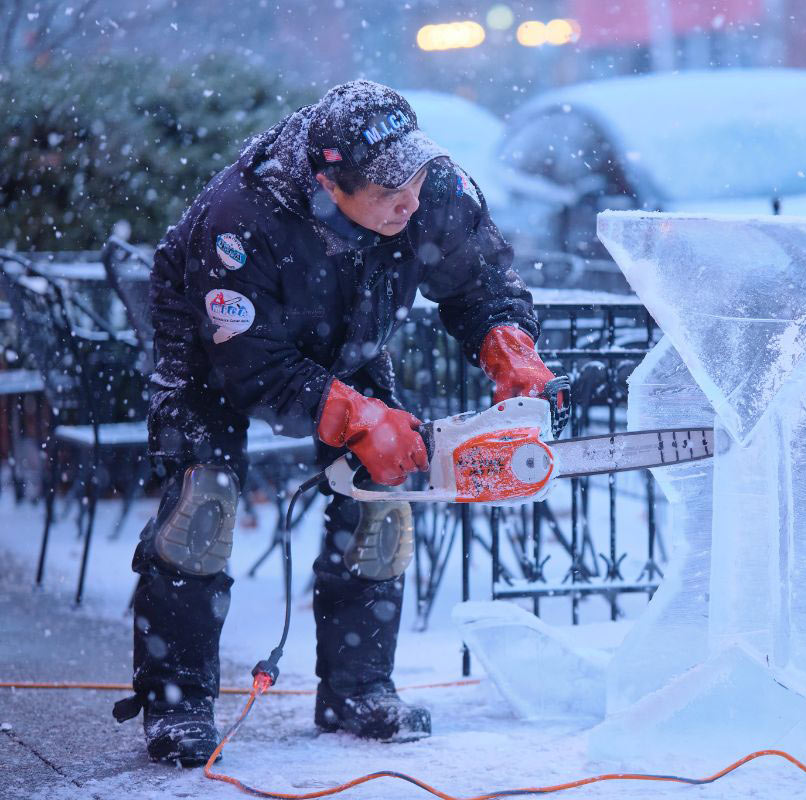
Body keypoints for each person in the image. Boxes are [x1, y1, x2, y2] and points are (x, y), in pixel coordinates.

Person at [111, 80, 556, 766]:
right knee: (203, 508)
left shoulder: (430, 190)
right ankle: (177, 703)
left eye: (413, 176)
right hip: (216, 346)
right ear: (329, 183)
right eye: (386, 191)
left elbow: (481, 281)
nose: (408, 199)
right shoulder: (242, 222)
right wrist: (353, 416)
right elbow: (252, 368)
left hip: (351, 335)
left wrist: (509, 344)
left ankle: (357, 689)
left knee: (385, 499)